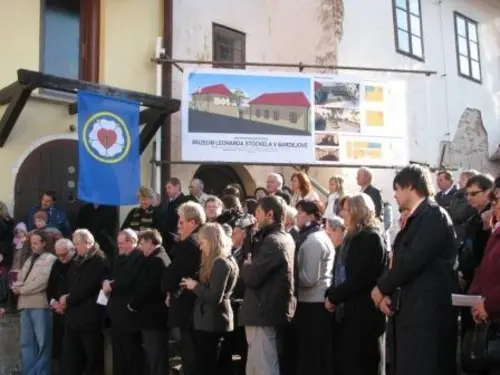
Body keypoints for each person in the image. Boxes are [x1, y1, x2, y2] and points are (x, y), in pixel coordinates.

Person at [372, 164, 457, 375]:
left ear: (410, 186)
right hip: (411, 313)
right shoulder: (417, 218)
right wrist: (387, 293)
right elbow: (397, 259)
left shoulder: (433, 215)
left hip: (427, 316)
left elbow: (413, 260)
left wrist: (382, 288)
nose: (395, 194)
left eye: (398, 188)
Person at [325, 194, 387, 375]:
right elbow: (339, 271)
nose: (342, 214)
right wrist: (331, 293)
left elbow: (360, 278)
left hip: (363, 315)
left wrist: (334, 297)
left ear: (357, 211)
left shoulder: (370, 238)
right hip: (347, 313)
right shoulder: (352, 237)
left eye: (346, 210)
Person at [238, 196, 296, 375]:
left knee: (264, 366)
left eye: (258, 212)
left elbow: (253, 277)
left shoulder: (274, 241)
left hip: (263, 310)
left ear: (270, 214)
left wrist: (247, 265)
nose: (255, 216)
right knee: (255, 366)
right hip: (262, 310)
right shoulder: (278, 238)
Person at [181, 223, 239, 375]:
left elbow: (214, 297)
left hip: (212, 322)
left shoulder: (221, 263)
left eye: (203, 243)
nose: (200, 247)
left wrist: (195, 286)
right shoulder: (227, 259)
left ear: (212, 241)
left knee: (207, 366)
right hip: (214, 321)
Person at [162, 201, 206, 375]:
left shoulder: (190, 245)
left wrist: (167, 287)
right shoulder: (194, 242)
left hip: (190, 309)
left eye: (181, 222)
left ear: (193, 222)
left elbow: (173, 277)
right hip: (191, 309)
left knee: (191, 359)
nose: (178, 227)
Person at [60, 229, 110, 375]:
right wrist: (63, 297)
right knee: (72, 356)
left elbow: (88, 286)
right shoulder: (78, 259)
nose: (75, 248)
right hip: (74, 316)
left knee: (92, 356)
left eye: (78, 244)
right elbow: (69, 280)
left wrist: (68, 299)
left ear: (88, 243)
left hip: (89, 317)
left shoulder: (99, 260)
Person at [295, 201, 334, 375]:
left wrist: (289, 278)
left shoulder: (313, 240)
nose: (297, 216)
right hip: (314, 303)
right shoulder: (317, 236)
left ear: (311, 215)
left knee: (311, 358)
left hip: (312, 304)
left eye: (300, 212)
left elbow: (309, 278)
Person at [13, 229, 56, 375]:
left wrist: (22, 289)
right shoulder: (30, 259)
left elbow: (41, 282)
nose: (33, 246)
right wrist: (16, 286)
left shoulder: (50, 258)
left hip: (39, 305)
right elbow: (20, 277)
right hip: (24, 304)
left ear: (44, 243)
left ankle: (42, 372)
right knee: (26, 343)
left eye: (36, 243)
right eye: (32, 243)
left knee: (42, 343)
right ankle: (29, 372)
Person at [131, 229, 171, 375]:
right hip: (156, 317)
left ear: (150, 242)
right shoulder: (161, 256)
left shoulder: (156, 260)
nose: (140, 248)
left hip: (153, 317)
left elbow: (147, 287)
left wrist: (132, 304)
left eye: (142, 244)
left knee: (155, 356)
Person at [105, 229, 144, 375]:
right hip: (117, 316)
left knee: (132, 356)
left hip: (130, 316)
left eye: (122, 243)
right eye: (118, 243)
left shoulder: (138, 257)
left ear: (132, 241)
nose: (119, 246)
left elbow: (130, 280)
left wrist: (112, 285)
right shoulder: (120, 258)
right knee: (118, 356)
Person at [47, 238, 77, 375]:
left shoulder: (77, 263)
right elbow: (50, 287)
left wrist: (66, 303)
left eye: (64, 255)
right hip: (57, 311)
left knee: (71, 350)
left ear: (72, 250)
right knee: (57, 347)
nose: (61, 258)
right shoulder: (57, 264)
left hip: (72, 311)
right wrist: (53, 302)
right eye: (58, 255)